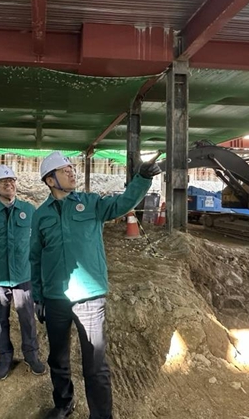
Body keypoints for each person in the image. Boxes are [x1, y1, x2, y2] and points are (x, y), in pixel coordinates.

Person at [30, 151, 161, 419]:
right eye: (64, 170)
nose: (72, 172)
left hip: (89, 298)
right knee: (58, 359)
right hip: (55, 298)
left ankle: (101, 415)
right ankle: (64, 404)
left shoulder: (91, 203)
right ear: (50, 180)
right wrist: (38, 296)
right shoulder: (40, 215)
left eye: (71, 168)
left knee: (95, 363)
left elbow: (123, 203)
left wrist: (142, 179)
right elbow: (35, 257)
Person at [0, 165, 46, 380]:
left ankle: (31, 355)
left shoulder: (29, 210)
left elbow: (38, 242)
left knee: (27, 319)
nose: (9, 184)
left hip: (23, 275)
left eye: (11, 180)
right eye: (3, 182)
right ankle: (5, 357)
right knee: (0, 320)